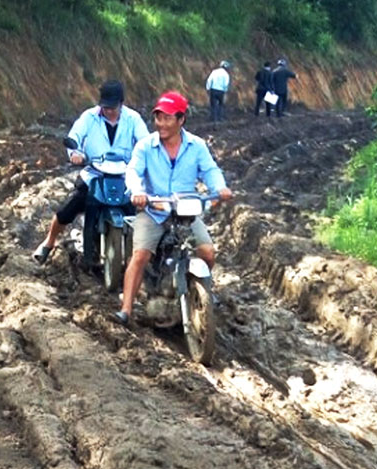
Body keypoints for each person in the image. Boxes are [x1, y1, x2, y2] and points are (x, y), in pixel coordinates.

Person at [113, 91, 232, 325]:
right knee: (141, 255)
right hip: (154, 211)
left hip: (185, 212)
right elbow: (133, 172)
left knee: (207, 252)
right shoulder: (145, 146)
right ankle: (126, 308)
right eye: (159, 118)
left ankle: (202, 289)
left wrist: (220, 188)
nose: (162, 124)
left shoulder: (197, 146)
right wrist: (138, 193)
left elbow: (210, 170)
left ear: (181, 120)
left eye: (168, 118)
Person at [32, 80, 149, 269]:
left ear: (121, 103)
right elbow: (75, 136)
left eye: (113, 107)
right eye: (105, 107)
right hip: (94, 174)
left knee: (139, 214)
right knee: (69, 209)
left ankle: (140, 258)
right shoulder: (89, 117)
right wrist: (75, 153)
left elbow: (145, 142)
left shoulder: (133, 119)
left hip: (124, 177)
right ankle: (48, 242)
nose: (109, 111)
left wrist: (143, 158)